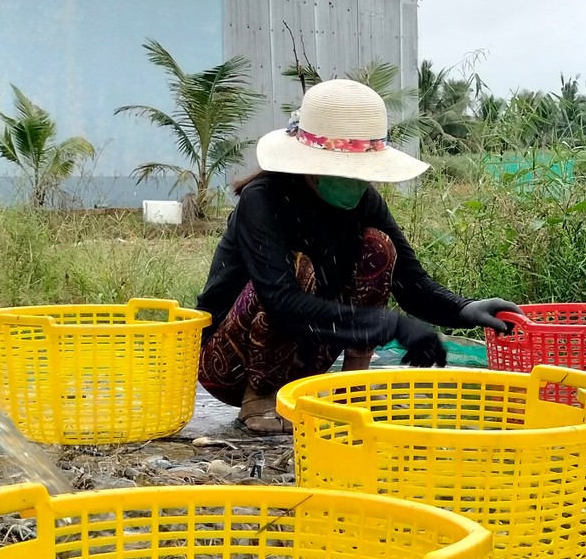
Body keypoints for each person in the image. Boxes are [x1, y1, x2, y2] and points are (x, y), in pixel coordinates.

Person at [196, 78, 519, 434]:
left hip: (305, 353)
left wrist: (464, 309)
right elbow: (282, 302)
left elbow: (411, 282)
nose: (356, 181)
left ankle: (350, 388)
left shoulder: (363, 202)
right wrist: (390, 325)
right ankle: (260, 398)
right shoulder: (264, 200)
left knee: (378, 247)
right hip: (228, 365)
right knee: (299, 269)